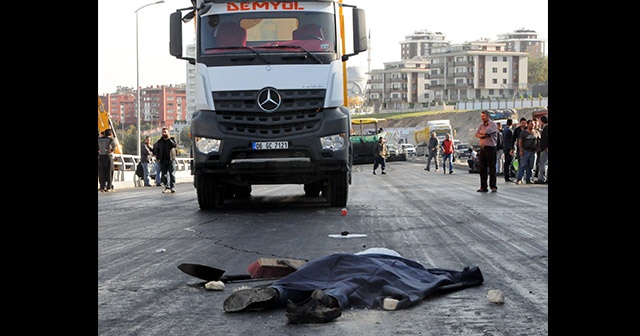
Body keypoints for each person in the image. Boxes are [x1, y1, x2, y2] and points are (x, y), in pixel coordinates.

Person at [222, 248, 484, 324]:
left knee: (311, 276)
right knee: (358, 284)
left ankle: (277, 292)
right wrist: (469, 274)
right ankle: (328, 301)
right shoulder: (406, 264)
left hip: (340, 259)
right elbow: (450, 276)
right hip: (384, 268)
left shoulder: (357, 255)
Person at [474, 110, 499, 192]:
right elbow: (477, 134)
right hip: (483, 148)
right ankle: (483, 186)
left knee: (492, 168)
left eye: (483, 116)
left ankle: (493, 186)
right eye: (481, 116)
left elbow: (486, 131)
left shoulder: (493, 125)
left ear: (488, 116)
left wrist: (483, 134)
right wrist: (483, 135)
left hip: (491, 148)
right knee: (482, 168)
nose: (482, 118)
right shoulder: (481, 125)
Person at [515, 120, 540, 185]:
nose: (533, 125)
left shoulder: (537, 132)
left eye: (533, 124)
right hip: (525, 151)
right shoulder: (523, 133)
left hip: (533, 152)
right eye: (531, 124)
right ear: (528, 125)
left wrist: (537, 149)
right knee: (522, 165)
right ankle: (519, 179)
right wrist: (520, 150)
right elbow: (520, 142)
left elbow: (539, 141)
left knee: (531, 166)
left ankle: (529, 179)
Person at [153, 127, 178, 193]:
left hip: (171, 159)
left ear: (168, 132)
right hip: (163, 160)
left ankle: (172, 187)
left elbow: (174, 145)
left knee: (172, 174)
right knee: (164, 174)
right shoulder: (160, 141)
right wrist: (158, 158)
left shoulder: (172, 140)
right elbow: (156, 150)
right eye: (163, 132)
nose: (164, 133)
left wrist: (169, 138)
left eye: (165, 132)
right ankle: (166, 187)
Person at [535, 115, 548, 184]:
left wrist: (545, 147)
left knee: (543, 164)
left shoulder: (546, 128)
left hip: (545, 149)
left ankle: (542, 178)